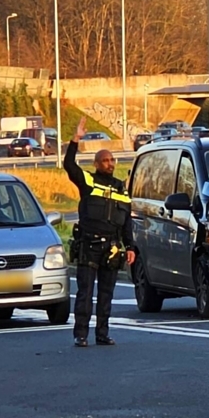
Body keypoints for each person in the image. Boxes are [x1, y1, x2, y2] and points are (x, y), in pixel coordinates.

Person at [64, 117, 136, 348]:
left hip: (112, 248)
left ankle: (103, 334)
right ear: (96, 163)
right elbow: (69, 165)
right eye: (105, 160)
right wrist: (75, 140)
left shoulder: (121, 189)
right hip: (89, 245)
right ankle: (81, 334)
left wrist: (131, 247)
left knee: (107, 295)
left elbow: (126, 222)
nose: (110, 163)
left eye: (112, 160)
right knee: (85, 294)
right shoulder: (88, 181)